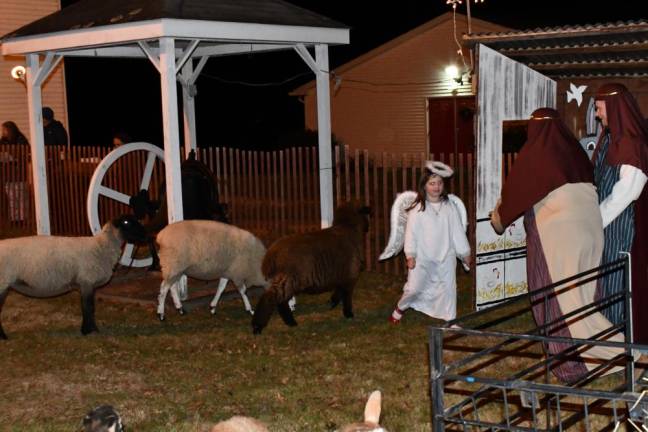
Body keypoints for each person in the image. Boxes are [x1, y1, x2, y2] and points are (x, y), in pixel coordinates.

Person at [490, 107, 635, 383]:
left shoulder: (536, 155)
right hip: (591, 234)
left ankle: (578, 362)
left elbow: (513, 198)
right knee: (582, 298)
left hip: (558, 238)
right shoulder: (574, 151)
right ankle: (615, 349)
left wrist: (497, 219)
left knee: (560, 301)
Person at [592, 83, 648, 345]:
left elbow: (627, 193)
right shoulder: (610, 140)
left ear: (614, 108)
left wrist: (596, 219)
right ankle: (608, 341)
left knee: (617, 283)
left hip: (622, 227)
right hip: (606, 225)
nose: (597, 114)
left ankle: (619, 342)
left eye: (600, 108)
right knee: (605, 283)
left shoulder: (632, 144)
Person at [389, 161, 471, 324]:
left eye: (439, 183)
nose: (436, 187)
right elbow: (411, 234)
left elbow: (457, 232)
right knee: (414, 287)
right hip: (423, 258)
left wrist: (464, 253)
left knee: (448, 289)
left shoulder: (449, 207)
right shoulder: (418, 209)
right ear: (424, 186)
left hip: (446, 256)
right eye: (432, 183)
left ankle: (450, 319)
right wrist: (410, 255)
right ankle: (401, 307)